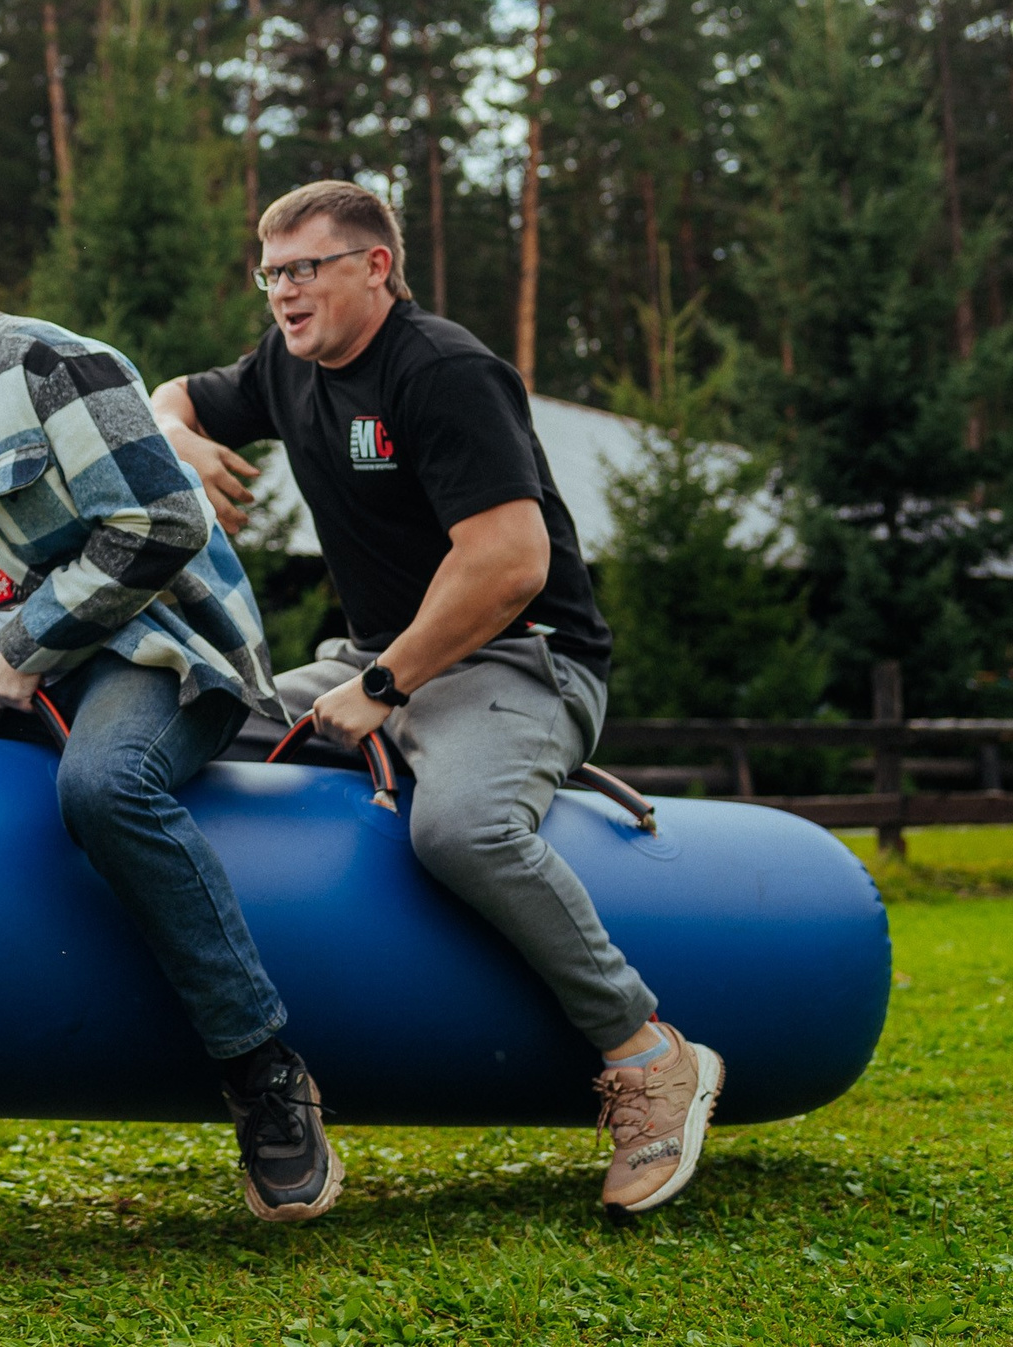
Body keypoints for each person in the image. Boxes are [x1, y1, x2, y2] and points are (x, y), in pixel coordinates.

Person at [150, 179, 724, 1223]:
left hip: (518, 662)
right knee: (175, 713)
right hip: (370, 659)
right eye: (268, 273)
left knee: (461, 829)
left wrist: (382, 687)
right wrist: (174, 433)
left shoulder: (443, 371)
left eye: (304, 268)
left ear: (376, 266)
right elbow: (174, 395)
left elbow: (509, 562)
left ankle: (647, 1052)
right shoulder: (287, 363)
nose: (282, 291)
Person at [0, 202, 343, 1224]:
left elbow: (161, 523)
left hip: (157, 652)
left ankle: (264, 1071)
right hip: (3, 671)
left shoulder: (54, 366)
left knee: (104, 785)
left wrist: (22, 654)